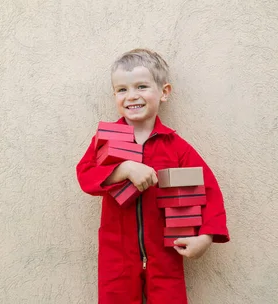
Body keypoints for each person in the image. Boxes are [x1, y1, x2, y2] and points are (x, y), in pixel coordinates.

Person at [76, 48, 230, 303]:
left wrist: (206, 235)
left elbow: (209, 189)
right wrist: (122, 169)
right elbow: (85, 175)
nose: (131, 96)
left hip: (165, 253)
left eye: (142, 86)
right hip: (117, 253)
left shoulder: (175, 146)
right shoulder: (106, 141)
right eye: (122, 89)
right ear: (114, 94)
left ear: (164, 92)